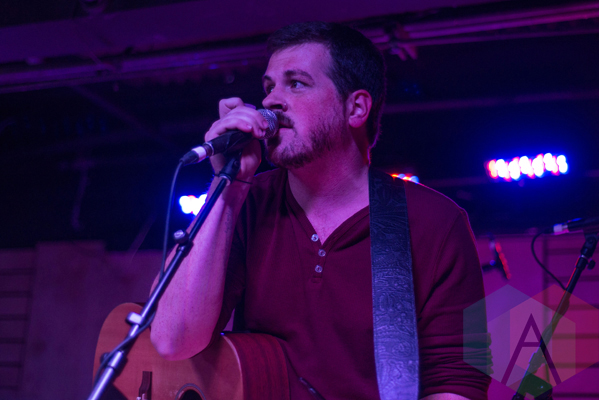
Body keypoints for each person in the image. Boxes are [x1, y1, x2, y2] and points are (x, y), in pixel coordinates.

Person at [150, 21, 491, 400]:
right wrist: (227, 186)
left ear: (355, 108)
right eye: (269, 87)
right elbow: (171, 341)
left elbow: (458, 381)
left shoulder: (435, 222)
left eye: (296, 84)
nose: (271, 102)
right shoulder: (246, 203)